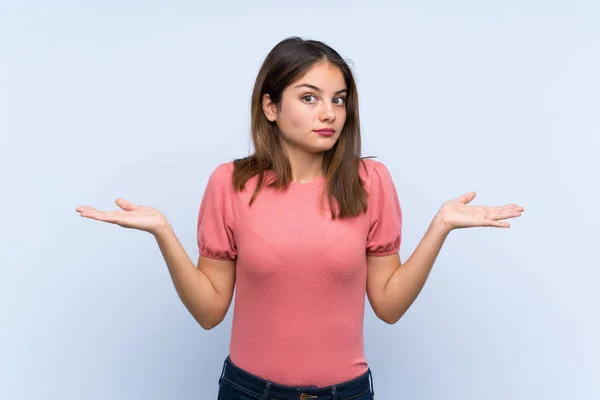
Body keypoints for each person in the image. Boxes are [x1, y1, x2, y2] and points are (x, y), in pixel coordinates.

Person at [75, 36, 524, 400]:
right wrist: (163, 232)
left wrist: (440, 225)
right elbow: (210, 312)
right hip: (250, 392)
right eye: (309, 98)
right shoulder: (230, 183)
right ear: (270, 107)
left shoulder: (370, 181)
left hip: (346, 394)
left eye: (339, 100)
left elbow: (388, 306)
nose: (329, 113)